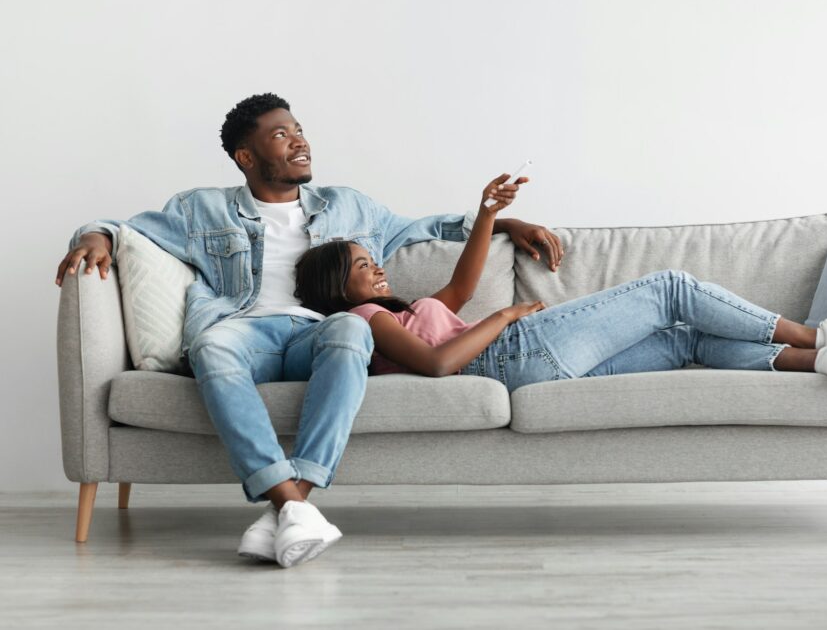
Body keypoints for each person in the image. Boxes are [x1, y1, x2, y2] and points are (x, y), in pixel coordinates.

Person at [54, 93, 563, 568]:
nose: (299, 140)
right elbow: (123, 228)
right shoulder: (199, 209)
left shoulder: (349, 206)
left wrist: (504, 224)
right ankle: (293, 506)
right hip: (241, 330)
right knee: (210, 347)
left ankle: (289, 506)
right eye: (280, 135)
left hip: (317, 332)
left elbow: (429, 228)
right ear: (246, 157)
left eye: (298, 129)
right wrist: (96, 238)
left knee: (350, 329)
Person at [293, 176, 827, 392]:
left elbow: (460, 283)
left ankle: (821, 364)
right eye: (359, 263)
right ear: (336, 288)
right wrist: (502, 318)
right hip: (515, 353)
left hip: (528, 360)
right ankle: (822, 336)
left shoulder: (400, 309)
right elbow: (433, 365)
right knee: (669, 288)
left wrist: (486, 212)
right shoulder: (361, 323)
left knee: (684, 343)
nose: (375, 263)